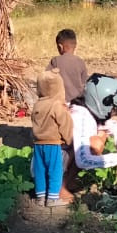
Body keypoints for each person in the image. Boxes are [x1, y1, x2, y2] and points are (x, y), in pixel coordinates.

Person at [66, 74, 117, 195]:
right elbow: (83, 160)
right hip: (50, 167)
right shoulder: (80, 117)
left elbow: (116, 129)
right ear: (100, 102)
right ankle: (62, 186)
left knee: (102, 134)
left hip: (63, 160)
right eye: (112, 107)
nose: (113, 111)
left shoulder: (88, 111)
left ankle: (68, 181)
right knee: (96, 143)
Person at [29, 70, 74, 206]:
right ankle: (53, 198)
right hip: (53, 143)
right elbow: (64, 123)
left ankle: (40, 197)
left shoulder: (38, 104)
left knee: (40, 169)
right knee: (55, 170)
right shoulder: (56, 105)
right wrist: (69, 139)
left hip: (38, 143)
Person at [49, 28, 90, 105]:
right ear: (75, 46)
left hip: (61, 103)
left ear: (60, 47)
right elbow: (85, 82)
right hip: (78, 104)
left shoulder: (55, 61)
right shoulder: (80, 62)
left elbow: (46, 80)